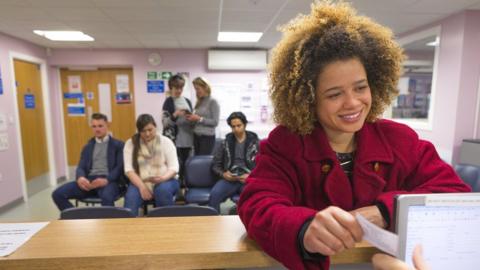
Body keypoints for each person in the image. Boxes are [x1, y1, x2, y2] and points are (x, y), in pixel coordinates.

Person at [237, 2, 471, 270]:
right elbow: (257, 204)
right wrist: (304, 228)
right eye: (334, 94)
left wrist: (385, 211)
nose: (353, 103)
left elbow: (452, 195)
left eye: (361, 87)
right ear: (308, 99)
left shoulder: (400, 140)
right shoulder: (285, 144)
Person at [52, 113, 124, 211]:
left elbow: (119, 167)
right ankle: (75, 219)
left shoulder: (118, 145)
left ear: (107, 125)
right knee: (57, 194)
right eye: (94, 126)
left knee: (107, 196)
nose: (97, 129)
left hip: (108, 182)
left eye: (100, 126)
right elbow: (81, 167)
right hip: (89, 182)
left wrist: (106, 180)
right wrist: (80, 178)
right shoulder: (87, 147)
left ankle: (108, 224)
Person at [123, 114, 179, 216]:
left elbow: (174, 168)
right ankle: (128, 229)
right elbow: (129, 170)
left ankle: (168, 226)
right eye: (143, 131)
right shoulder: (131, 143)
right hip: (140, 181)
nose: (147, 134)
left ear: (155, 126)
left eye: (150, 129)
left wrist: (162, 178)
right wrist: (142, 187)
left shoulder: (166, 142)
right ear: (139, 131)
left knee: (162, 191)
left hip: (166, 179)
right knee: (131, 198)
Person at [209, 112, 259, 213]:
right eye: (233, 126)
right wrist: (224, 174)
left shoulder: (256, 143)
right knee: (214, 194)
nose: (236, 129)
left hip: (248, 179)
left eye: (239, 125)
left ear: (245, 125)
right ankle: (213, 224)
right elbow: (215, 164)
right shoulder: (225, 142)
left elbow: (263, 165)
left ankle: (251, 224)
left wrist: (251, 176)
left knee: (255, 197)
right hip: (230, 179)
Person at [162, 74, 194, 183]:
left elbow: (192, 121)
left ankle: (186, 187)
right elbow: (165, 123)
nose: (179, 90)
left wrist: (192, 118)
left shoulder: (188, 101)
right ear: (171, 88)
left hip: (188, 139)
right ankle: (177, 189)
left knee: (187, 166)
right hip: (174, 140)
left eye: (181, 88)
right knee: (176, 166)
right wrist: (175, 115)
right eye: (176, 88)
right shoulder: (168, 102)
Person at [186, 77, 220, 155]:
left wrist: (199, 118)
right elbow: (197, 120)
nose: (196, 91)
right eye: (195, 89)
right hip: (196, 136)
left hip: (207, 138)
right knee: (196, 161)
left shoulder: (213, 102)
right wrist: (191, 118)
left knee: (203, 162)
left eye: (198, 89)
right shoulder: (199, 102)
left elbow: (215, 122)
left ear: (205, 87)